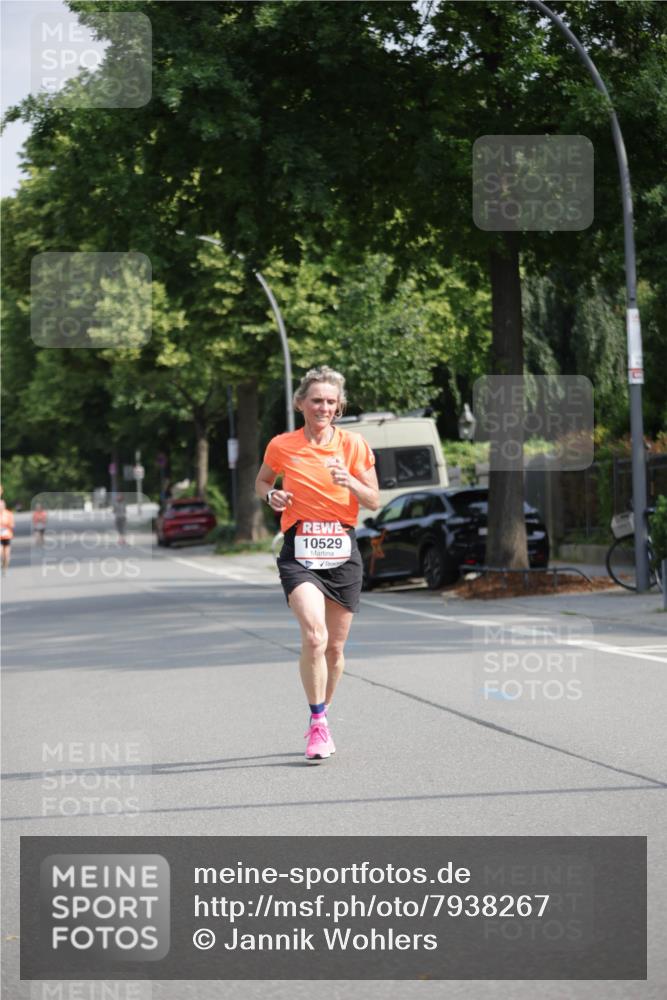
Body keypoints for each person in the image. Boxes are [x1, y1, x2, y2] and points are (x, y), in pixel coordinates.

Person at [255, 366, 380, 763]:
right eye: (316, 400)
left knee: (336, 649)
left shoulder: (354, 445)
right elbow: (262, 481)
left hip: (342, 549)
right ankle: (318, 722)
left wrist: (350, 482)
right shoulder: (282, 445)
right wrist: (270, 496)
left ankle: (323, 711)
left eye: (330, 401)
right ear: (301, 403)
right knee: (314, 637)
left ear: (339, 405)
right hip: (301, 549)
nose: (323, 407)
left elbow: (374, 500)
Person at [0, 499, 15, 574]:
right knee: (0, 552)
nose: (0, 507)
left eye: (2, 505)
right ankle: (2, 563)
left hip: (7, 536)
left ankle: (5, 568)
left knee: (6, 555)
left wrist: (5, 525)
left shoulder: (9, 514)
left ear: (4, 506)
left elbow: (12, 525)